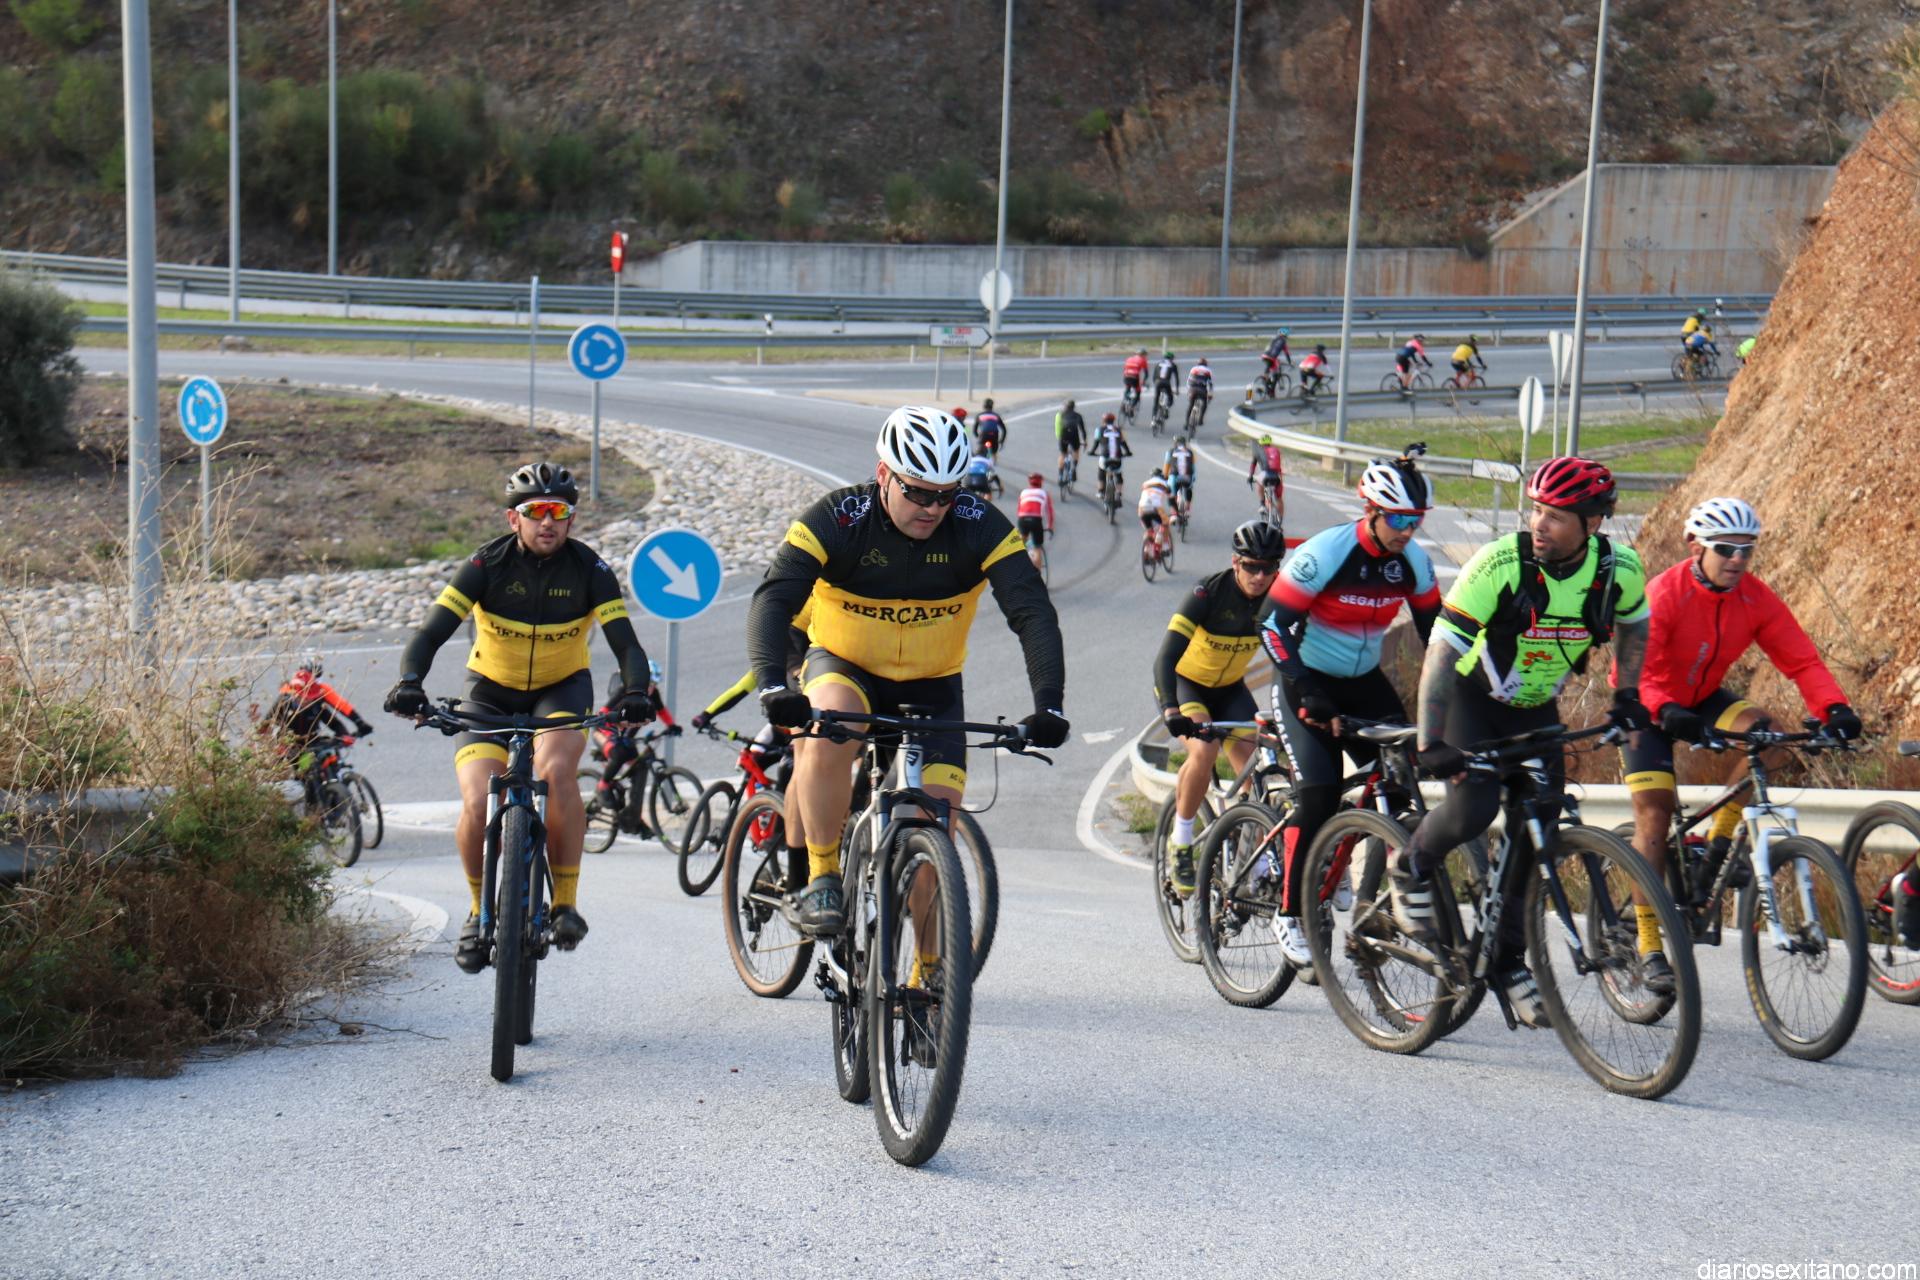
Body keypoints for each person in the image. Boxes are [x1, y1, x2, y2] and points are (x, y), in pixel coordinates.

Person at [747, 406, 1067, 945]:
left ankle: (930, 971)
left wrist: (1049, 703)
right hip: (844, 663)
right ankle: (822, 879)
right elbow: (774, 597)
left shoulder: (979, 524)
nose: (933, 508)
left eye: (946, 495)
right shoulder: (837, 517)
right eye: (918, 492)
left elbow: (1031, 611)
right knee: (830, 729)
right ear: (883, 474)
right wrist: (773, 683)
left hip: (932, 685)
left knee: (933, 835)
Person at [1388, 456, 1653, 1028]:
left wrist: (1627, 694)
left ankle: (1507, 962)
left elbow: (1636, 624)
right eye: (1535, 510)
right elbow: (1442, 652)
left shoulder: (1619, 570)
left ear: (1592, 524)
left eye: (1555, 516)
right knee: (1476, 807)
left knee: (1538, 833)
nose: (1539, 524)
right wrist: (1431, 742)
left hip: (1535, 708)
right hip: (1471, 700)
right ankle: (1409, 866)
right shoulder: (1500, 564)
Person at [383, 461, 656, 971]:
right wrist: (410, 683)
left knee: (558, 772)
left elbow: (626, 644)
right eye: (536, 512)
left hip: (561, 688)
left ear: (571, 519)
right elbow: (430, 633)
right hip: (488, 690)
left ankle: (565, 904)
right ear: (514, 519)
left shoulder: (591, 570)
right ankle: (477, 912)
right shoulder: (484, 565)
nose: (548, 521)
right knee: (476, 797)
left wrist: (636, 690)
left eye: (559, 512)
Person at [1614, 496, 1861, 992]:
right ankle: (1648, 944)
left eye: (1747, 550)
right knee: (1655, 815)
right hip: (1646, 705)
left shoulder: (1754, 597)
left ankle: (1718, 842)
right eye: (1726, 549)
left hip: (1702, 699)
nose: (1738, 560)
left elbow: (1801, 661)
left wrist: (1834, 709)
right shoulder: (1664, 593)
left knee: (1771, 735)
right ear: (1696, 547)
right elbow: (1631, 672)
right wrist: (1664, 710)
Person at [1258, 452, 1441, 966]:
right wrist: (1303, 686)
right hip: (1307, 679)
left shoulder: (1413, 563)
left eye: (1416, 520)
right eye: (1399, 520)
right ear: (1371, 510)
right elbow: (1270, 625)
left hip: (1363, 682)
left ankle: (1359, 885)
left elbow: (1437, 634)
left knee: (1399, 784)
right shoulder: (1327, 553)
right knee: (1317, 793)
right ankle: (1288, 912)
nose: (1408, 531)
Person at [1153, 520, 1288, 893]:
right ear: (1235, 562)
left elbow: (1292, 658)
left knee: (1259, 774)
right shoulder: (1207, 594)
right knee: (1205, 750)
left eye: (1268, 568)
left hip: (1230, 691)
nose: (1259, 577)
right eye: (1251, 567)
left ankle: (1248, 854)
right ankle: (1181, 843)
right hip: (1187, 685)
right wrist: (1170, 709)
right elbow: (1165, 658)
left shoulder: (1277, 600)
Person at [261, 655, 373, 807]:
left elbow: (334, 721)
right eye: (306, 698)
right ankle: (312, 807)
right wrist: (275, 747)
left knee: (328, 760)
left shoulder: (316, 702)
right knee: (307, 775)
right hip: (292, 746)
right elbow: (264, 727)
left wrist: (345, 735)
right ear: (296, 694)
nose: (309, 700)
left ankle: (334, 793)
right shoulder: (283, 703)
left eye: (312, 697)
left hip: (313, 741)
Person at [1016, 472, 1055, 572]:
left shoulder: (1023, 492)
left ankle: (1017, 567)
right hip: (1035, 520)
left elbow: (1019, 510)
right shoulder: (1044, 493)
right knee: (1037, 548)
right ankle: (1037, 576)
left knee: (1021, 545)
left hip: (1022, 519)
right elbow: (1049, 512)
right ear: (1041, 483)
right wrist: (1050, 526)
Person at [1090, 411, 1131, 505]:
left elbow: (1096, 442)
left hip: (1105, 457)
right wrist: (1128, 452)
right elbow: (1123, 443)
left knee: (1101, 472)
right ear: (1114, 421)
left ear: (1103, 421)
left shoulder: (1099, 429)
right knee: (1119, 475)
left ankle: (1101, 491)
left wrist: (1092, 452)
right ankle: (1119, 493)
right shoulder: (1119, 430)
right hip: (1117, 457)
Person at [1247, 435, 1284, 522]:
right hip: (1277, 476)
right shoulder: (1276, 450)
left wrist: (1250, 477)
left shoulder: (1258, 451)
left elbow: (1253, 465)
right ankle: (1280, 519)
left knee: (1258, 481)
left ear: (1261, 443)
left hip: (1266, 475)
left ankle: (1262, 504)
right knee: (1279, 498)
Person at [1138, 469, 1172, 559]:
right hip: (1155, 507)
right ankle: (1165, 547)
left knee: (1149, 530)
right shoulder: (1164, 483)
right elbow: (1170, 495)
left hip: (1142, 508)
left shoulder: (1146, 483)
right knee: (1165, 524)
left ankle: (1146, 551)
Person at [1164, 435, 1197, 515]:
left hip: (1174, 476)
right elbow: (1193, 466)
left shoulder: (1170, 451)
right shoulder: (1190, 452)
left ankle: (1174, 511)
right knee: (1189, 487)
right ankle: (1188, 505)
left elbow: (1167, 465)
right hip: (1187, 476)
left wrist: (1165, 476)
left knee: (1171, 493)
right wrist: (1193, 477)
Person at [1056, 398, 1086, 478]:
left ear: (1065, 406)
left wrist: (1059, 438)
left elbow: (1057, 428)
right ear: (1074, 407)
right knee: (1076, 451)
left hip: (1063, 436)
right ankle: (1073, 468)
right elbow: (1082, 430)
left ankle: (1060, 476)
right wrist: (1084, 441)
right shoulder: (1078, 416)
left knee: (1063, 454)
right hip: (1074, 436)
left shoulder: (1059, 414)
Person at [1185, 358, 1214, 425]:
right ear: (1206, 364)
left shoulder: (1193, 369)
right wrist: (1210, 394)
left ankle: (1186, 422)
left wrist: (1188, 391)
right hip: (1202, 390)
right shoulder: (1208, 370)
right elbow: (1210, 383)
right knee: (1204, 403)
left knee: (1191, 405)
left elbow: (1188, 381)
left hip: (1192, 389)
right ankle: (1200, 419)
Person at [1152, 352, 1181, 417]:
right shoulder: (1173, 365)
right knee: (1171, 398)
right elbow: (1176, 378)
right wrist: (1177, 390)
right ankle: (1167, 407)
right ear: (1171, 358)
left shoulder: (1158, 364)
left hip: (1158, 382)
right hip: (1166, 382)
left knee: (1156, 401)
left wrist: (1155, 385)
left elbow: (1154, 377)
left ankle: (1153, 419)